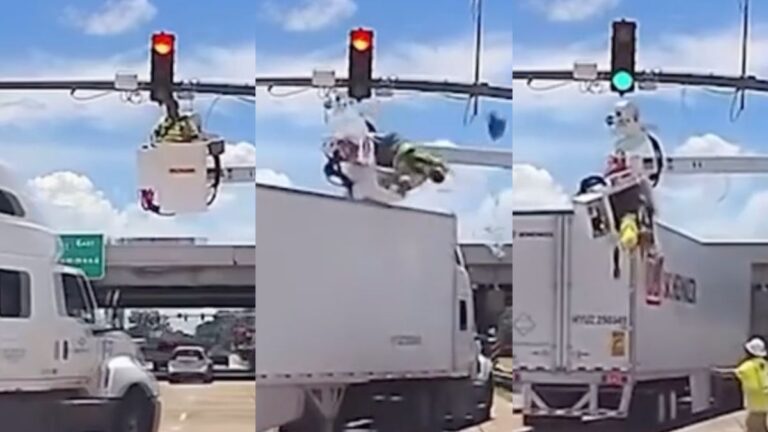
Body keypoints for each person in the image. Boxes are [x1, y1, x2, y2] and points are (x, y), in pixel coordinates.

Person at [736, 337, 768, 432]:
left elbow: (739, 372)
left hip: (754, 404)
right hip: (765, 402)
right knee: (761, 426)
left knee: (753, 427)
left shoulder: (747, 366)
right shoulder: (765, 364)